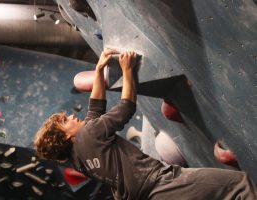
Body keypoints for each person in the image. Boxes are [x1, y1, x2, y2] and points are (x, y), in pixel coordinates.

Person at [34, 49, 257, 200]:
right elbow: (126, 107)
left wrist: (100, 68)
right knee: (240, 185)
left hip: (145, 195)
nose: (72, 118)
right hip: (160, 184)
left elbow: (95, 110)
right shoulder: (90, 135)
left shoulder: (79, 159)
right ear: (64, 137)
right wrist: (128, 70)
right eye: (65, 122)